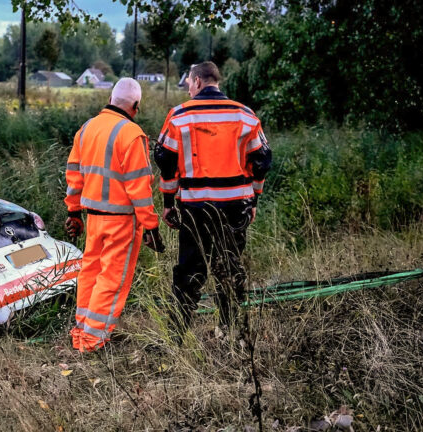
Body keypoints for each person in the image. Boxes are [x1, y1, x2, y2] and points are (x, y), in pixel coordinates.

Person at [154, 61, 272, 331]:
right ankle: (227, 330)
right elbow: (262, 160)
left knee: (189, 270)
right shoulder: (244, 115)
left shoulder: (179, 115)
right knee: (229, 267)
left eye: (188, 84)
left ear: (197, 82)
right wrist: (254, 199)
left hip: (194, 207)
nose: (187, 90)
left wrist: (168, 204)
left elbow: (166, 161)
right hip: (235, 206)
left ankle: (177, 334)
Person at [64, 77, 165, 352]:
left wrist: (73, 212)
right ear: (135, 105)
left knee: (90, 273)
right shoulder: (131, 134)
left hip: (92, 219)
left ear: (111, 99)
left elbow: (74, 176)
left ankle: (82, 332)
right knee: (111, 279)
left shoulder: (86, 129)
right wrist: (151, 227)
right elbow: (140, 188)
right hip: (121, 221)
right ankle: (93, 341)